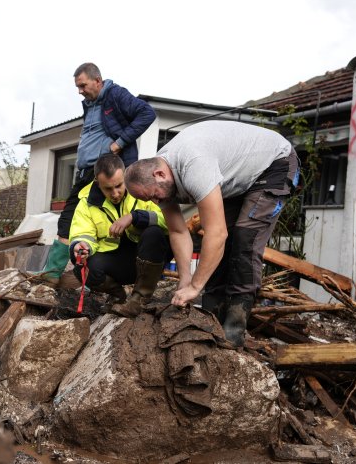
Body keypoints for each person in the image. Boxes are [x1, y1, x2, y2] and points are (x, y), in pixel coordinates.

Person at [124, 120, 300, 346]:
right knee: (219, 248)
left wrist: (196, 287)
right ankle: (212, 314)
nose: (156, 202)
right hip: (238, 178)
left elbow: (216, 235)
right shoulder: (159, 178)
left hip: (275, 163)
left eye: (154, 196)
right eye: (149, 200)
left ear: (159, 174)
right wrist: (185, 279)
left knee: (244, 238)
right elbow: (178, 231)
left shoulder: (194, 166)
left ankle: (235, 327)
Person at [38, 62, 156, 284]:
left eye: (82, 85)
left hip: (107, 174)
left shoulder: (115, 95)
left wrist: (119, 143)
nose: (79, 91)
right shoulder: (90, 104)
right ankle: (52, 274)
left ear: (98, 81)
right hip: (87, 172)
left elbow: (147, 113)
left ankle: (111, 276)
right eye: (78, 87)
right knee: (69, 218)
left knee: (106, 219)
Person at [68, 153, 169, 317]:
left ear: (126, 175)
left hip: (151, 256)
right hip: (118, 262)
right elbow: (82, 233)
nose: (115, 193)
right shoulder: (85, 203)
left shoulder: (144, 186)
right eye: (108, 188)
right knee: (82, 269)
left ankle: (138, 300)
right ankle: (118, 296)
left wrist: (135, 217)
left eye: (119, 186)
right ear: (97, 183)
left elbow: (170, 222)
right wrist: (81, 246)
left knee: (154, 232)